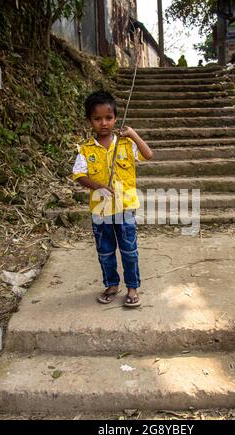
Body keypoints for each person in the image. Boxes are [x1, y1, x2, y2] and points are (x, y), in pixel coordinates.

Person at [72, 91, 153, 308]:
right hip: (100, 211)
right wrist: (98, 186)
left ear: (116, 118)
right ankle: (111, 285)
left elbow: (148, 154)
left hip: (125, 208)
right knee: (105, 251)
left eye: (108, 118)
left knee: (129, 250)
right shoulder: (86, 150)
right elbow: (79, 175)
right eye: (97, 119)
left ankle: (133, 287)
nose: (104, 123)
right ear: (89, 121)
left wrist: (133, 134)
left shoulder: (126, 144)